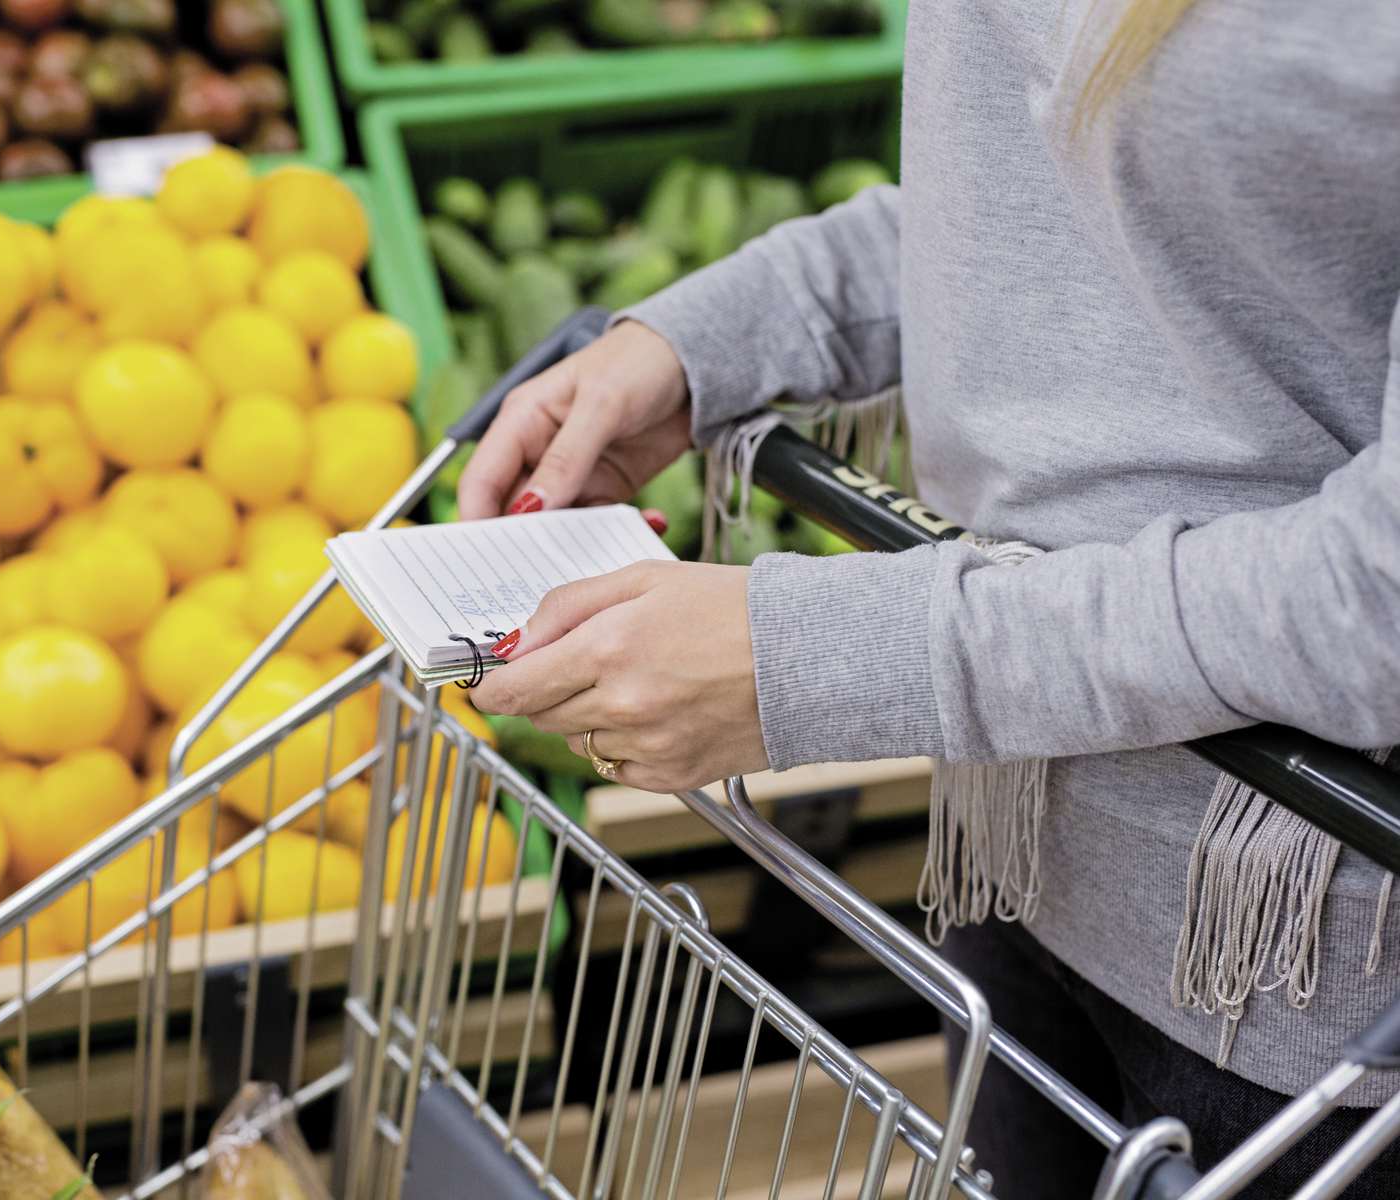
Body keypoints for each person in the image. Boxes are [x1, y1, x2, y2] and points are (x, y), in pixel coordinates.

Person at [457, 0, 1400, 1194]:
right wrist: (717, 339)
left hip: (1299, 945)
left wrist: (828, 662)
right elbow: (1064, 200)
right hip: (1017, 838)